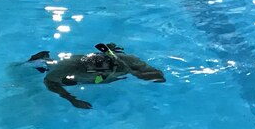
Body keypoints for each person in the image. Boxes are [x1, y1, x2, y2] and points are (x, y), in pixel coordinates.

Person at [28, 42, 165, 109]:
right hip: (75, 77)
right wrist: (72, 99)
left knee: (101, 80)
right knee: (52, 70)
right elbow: (49, 82)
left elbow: (160, 78)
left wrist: (133, 71)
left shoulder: (128, 60)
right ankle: (43, 60)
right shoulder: (69, 67)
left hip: (104, 77)